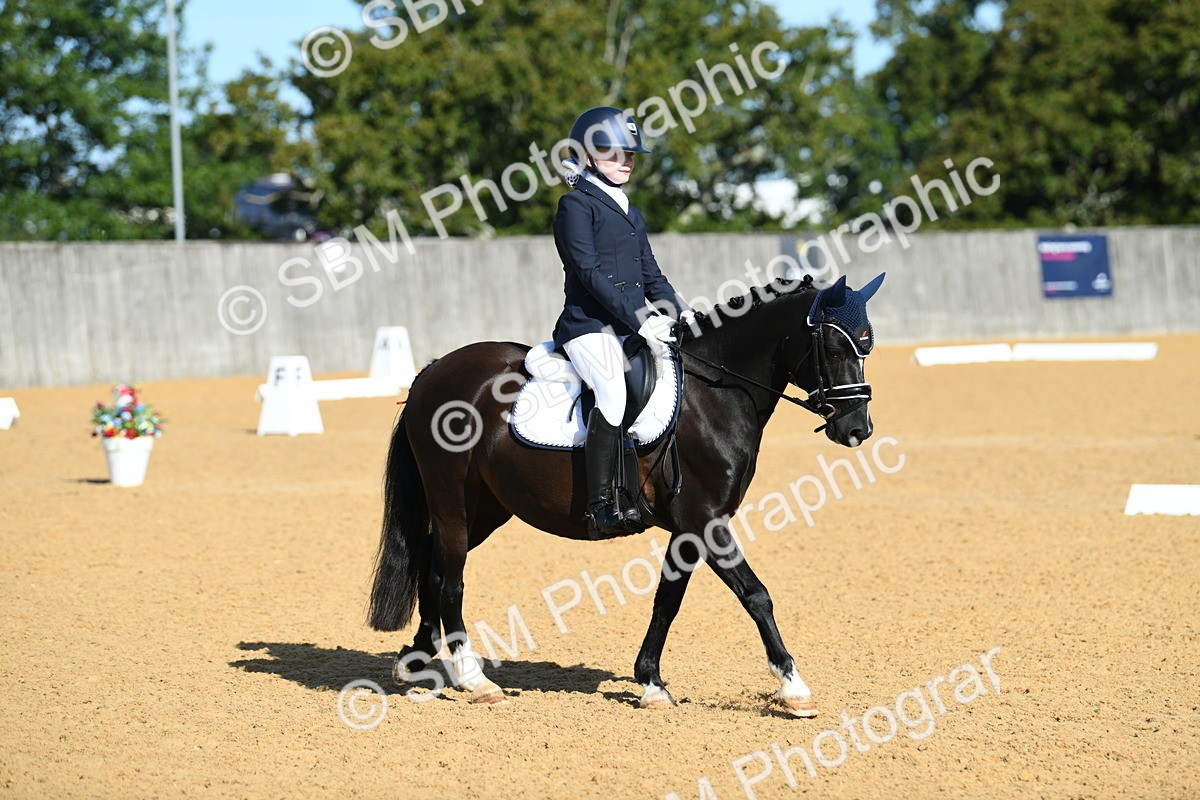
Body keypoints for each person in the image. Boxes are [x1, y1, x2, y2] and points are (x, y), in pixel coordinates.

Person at [551, 106, 694, 538]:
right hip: (588, 328)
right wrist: (639, 318)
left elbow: (650, 273)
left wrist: (677, 310)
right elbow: (589, 272)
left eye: (632, 154)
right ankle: (600, 505)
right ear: (589, 155)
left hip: (632, 328)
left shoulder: (631, 212)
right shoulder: (575, 206)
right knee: (612, 393)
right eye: (616, 153)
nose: (628, 161)